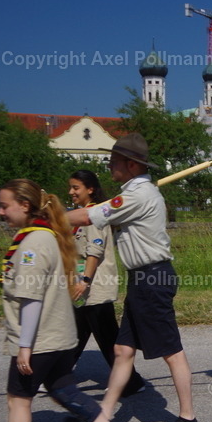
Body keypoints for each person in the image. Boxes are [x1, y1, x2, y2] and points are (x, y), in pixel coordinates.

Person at [0, 179, 136, 422]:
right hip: (59, 335)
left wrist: (24, 347)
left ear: (25, 206)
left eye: (5, 205)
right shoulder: (47, 236)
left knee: (18, 400)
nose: (0, 211)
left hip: (40, 339)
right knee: (66, 391)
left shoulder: (32, 244)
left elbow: (31, 299)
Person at [67, 133, 200, 422]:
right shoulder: (136, 193)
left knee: (172, 351)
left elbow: (88, 216)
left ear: (129, 165)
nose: (109, 166)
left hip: (152, 279)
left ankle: (188, 418)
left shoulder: (136, 196)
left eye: (113, 161)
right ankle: (103, 416)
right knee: (122, 349)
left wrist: (48, 219)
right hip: (143, 279)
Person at [67, 170, 146, 397]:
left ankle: (131, 381)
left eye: (76, 188)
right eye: (71, 187)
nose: (71, 192)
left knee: (107, 336)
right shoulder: (81, 214)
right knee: (77, 333)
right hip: (83, 288)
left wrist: (85, 281)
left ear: (90, 189)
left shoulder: (95, 214)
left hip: (94, 286)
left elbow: (95, 250)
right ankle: (58, 374)